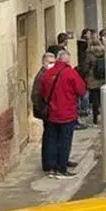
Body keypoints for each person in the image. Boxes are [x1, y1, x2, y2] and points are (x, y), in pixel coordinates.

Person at [40, 50, 86, 178]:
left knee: (52, 140)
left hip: (52, 113)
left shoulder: (48, 74)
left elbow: (43, 93)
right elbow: (81, 90)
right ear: (67, 61)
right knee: (65, 141)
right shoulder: (70, 73)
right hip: (67, 113)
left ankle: (51, 166)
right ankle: (62, 167)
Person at [84, 29, 106, 124]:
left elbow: (85, 66)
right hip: (102, 77)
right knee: (102, 97)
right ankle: (104, 115)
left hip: (92, 77)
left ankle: (95, 118)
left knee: (94, 98)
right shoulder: (104, 52)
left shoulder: (89, 53)